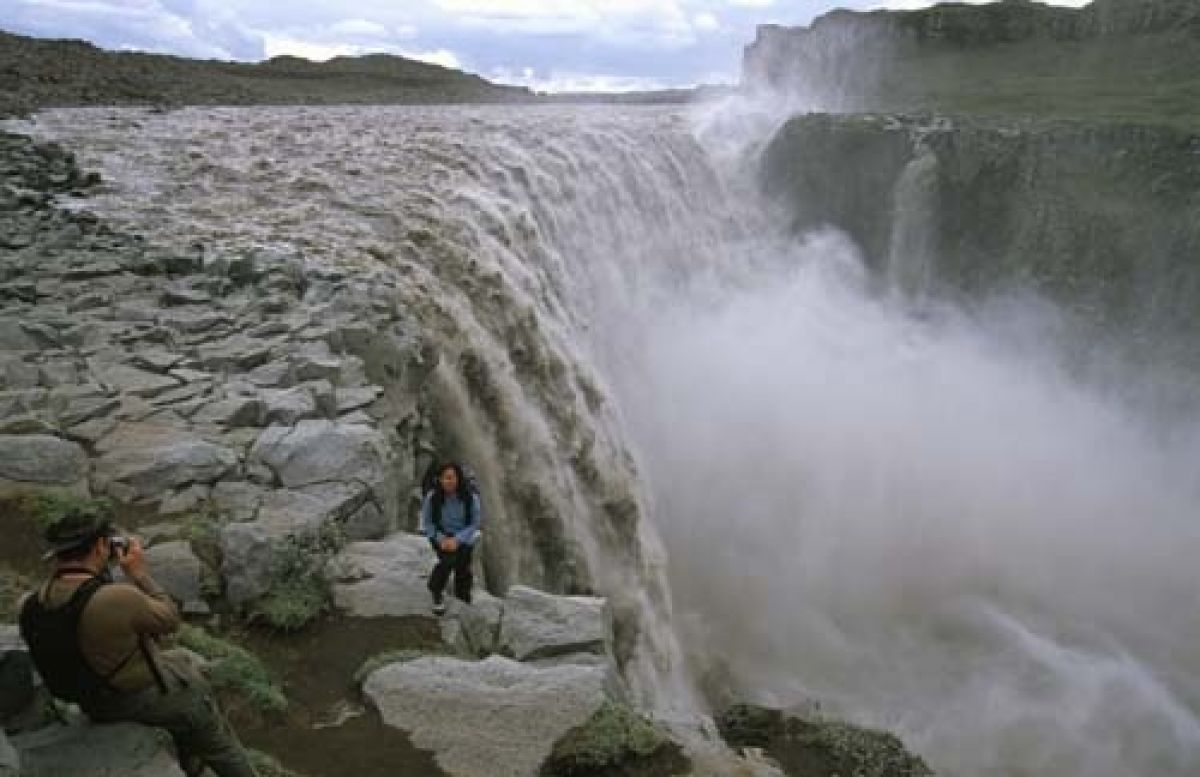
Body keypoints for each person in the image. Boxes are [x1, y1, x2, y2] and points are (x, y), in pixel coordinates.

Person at [18, 500, 256, 777]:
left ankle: (187, 760)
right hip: (132, 700)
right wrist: (139, 574)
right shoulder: (116, 597)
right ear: (99, 547)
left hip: (90, 702)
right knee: (218, 739)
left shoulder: (32, 602)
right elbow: (169, 620)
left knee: (179, 659)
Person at [418, 462, 482, 615]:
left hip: (464, 535)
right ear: (439, 480)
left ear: (458, 478)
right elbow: (427, 524)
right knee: (448, 561)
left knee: (463, 567)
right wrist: (441, 539)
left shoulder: (470, 497)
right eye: (445, 478)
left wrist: (458, 540)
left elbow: (474, 523)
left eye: (452, 477)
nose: (449, 481)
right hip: (441, 535)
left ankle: (463, 597)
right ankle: (436, 590)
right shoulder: (433, 498)